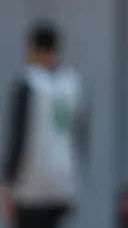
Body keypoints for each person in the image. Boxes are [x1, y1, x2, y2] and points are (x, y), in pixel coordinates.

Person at [1, 24, 88, 228]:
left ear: (34, 49)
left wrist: (8, 177)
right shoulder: (72, 85)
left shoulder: (29, 83)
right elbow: (79, 136)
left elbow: (19, 135)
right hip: (63, 181)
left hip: (30, 181)